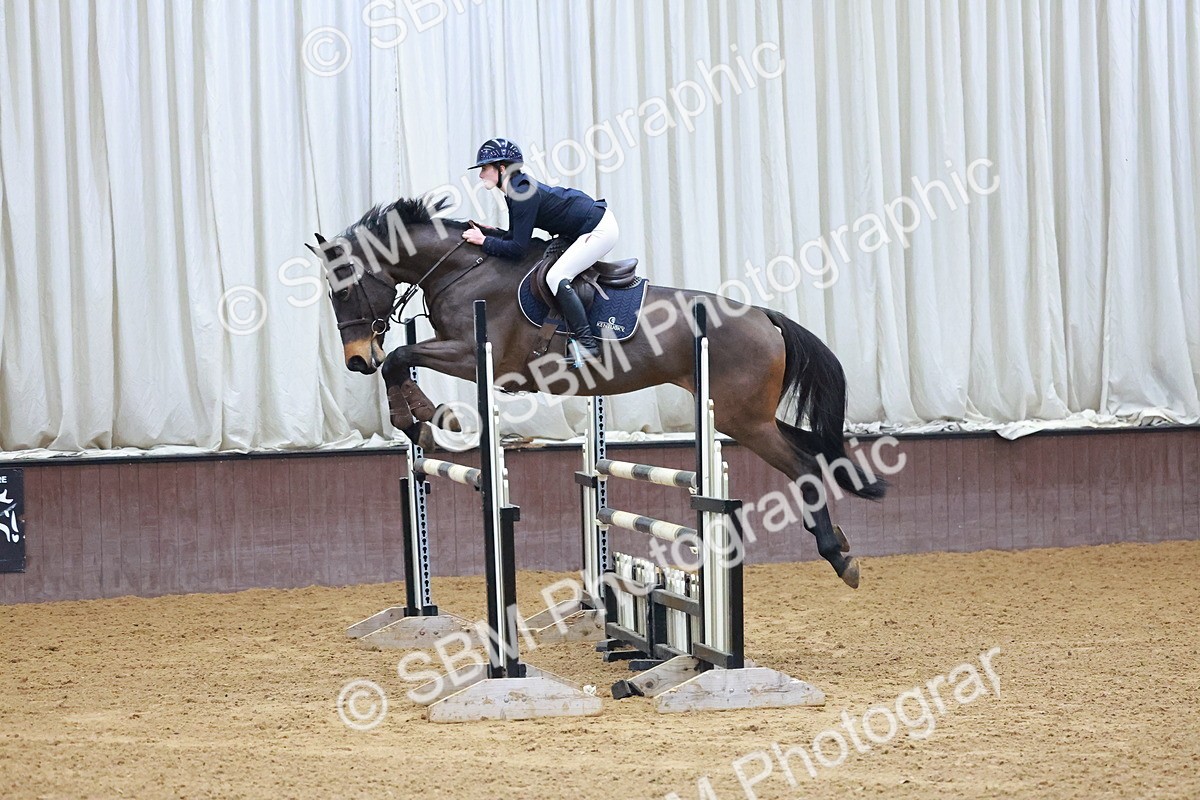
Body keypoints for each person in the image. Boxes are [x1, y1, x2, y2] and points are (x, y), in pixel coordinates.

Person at [461, 138, 617, 359]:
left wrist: (484, 242)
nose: (481, 175)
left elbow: (517, 249)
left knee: (555, 277)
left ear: (502, 168)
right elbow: (515, 236)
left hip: (599, 228)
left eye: (485, 168)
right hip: (580, 228)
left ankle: (588, 344)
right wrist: (490, 234)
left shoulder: (521, 193)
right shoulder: (515, 190)